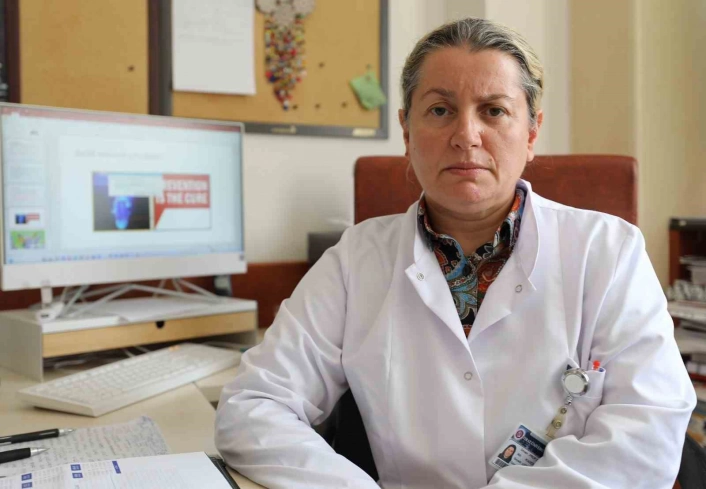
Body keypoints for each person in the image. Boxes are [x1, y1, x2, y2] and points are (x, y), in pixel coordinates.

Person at [216, 18, 696, 489]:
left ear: (532, 132)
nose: (466, 135)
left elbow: (647, 431)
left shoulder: (609, 251)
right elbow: (254, 406)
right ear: (407, 132)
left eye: (494, 111)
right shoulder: (355, 261)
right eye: (441, 110)